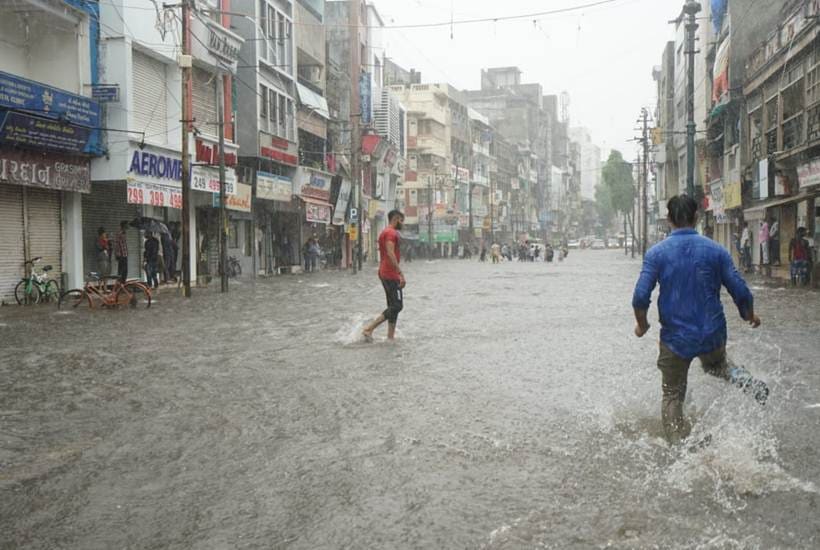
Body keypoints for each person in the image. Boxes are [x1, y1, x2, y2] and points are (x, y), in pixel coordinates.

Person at [632, 195, 766, 445]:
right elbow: (740, 290)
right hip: (712, 333)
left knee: (672, 394)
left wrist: (642, 325)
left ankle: (677, 448)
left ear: (669, 219)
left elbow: (640, 296)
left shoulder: (656, 254)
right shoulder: (716, 250)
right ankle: (749, 384)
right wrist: (750, 315)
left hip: (675, 339)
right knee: (720, 367)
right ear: (696, 217)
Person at [363, 210, 406, 341]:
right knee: (397, 306)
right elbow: (390, 253)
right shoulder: (391, 233)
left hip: (385, 273)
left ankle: (390, 337)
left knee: (393, 306)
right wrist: (400, 273)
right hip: (390, 274)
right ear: (396, 219)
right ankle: (369, 328)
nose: (402, 224)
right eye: (401, 220)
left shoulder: (385, 232)